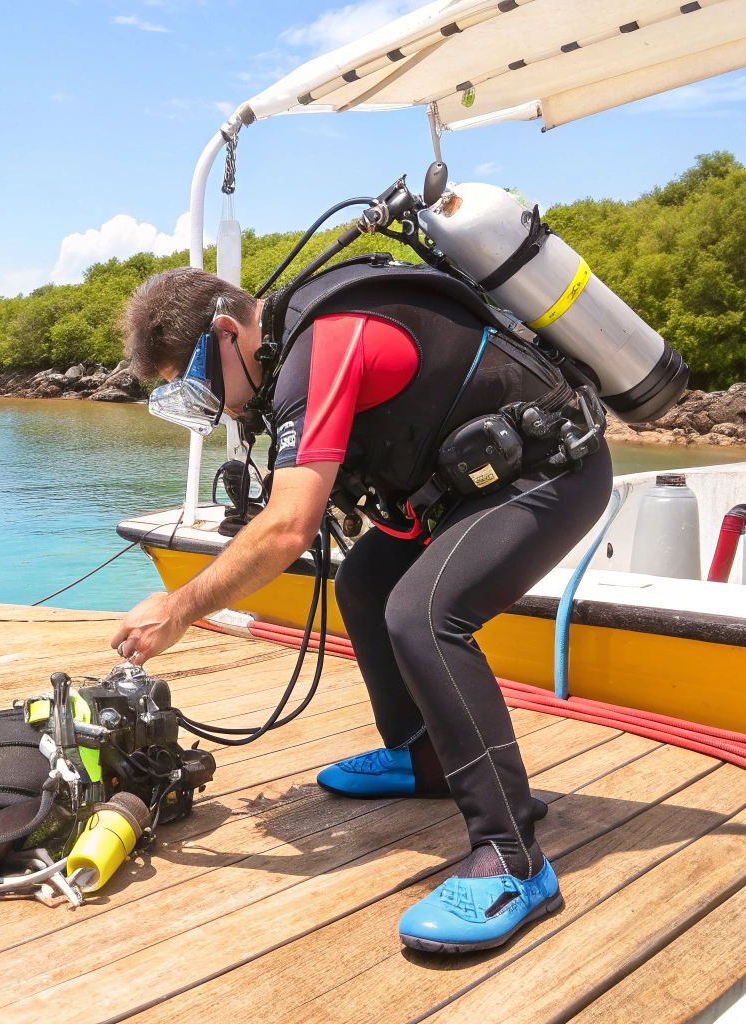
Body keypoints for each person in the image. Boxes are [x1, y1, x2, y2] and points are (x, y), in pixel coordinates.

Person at [110, 262, 612, 953]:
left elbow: (288, 529)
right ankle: (425, 760)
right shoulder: (296, 349)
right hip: (476, 483)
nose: (220, 411)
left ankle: (514, 858)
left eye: (200, 389)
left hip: (554, 469)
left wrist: (180, 606)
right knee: (367, 582)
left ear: (227, 334)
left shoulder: (325, 343)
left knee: (424, 617)